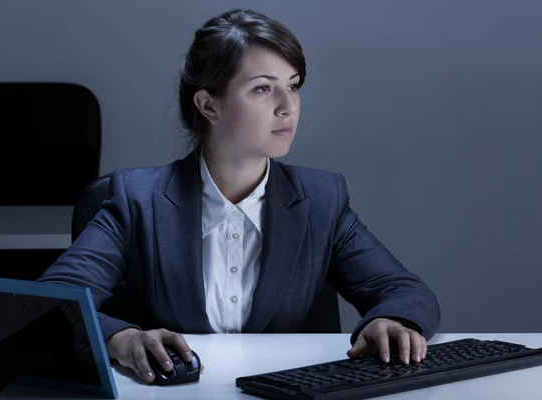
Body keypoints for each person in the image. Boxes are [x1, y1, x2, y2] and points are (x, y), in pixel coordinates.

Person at [37, 8, 440, 384]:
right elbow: (52, 301)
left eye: (294, 87)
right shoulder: (138, 198)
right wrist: (119, 338)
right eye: (263, 89)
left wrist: (392, 320)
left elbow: (405, 290)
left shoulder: (321, 200)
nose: (288, 108)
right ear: (208, 105)